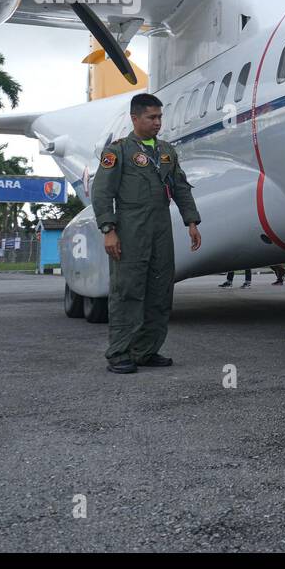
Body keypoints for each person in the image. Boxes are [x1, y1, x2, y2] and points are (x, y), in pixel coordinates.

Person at [91, 93, 202, 374]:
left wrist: (191, 221)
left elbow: (180, 187)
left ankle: (146, 350)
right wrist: (108, 229)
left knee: (160, 290)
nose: (157, 123)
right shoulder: (118, 151)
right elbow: (102, 192)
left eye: (159, 117)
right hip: (130, 228)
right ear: (135, 118)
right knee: (127, 291)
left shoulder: (166, 151)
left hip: (161, 228)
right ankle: (119, 352)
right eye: (151, 117)